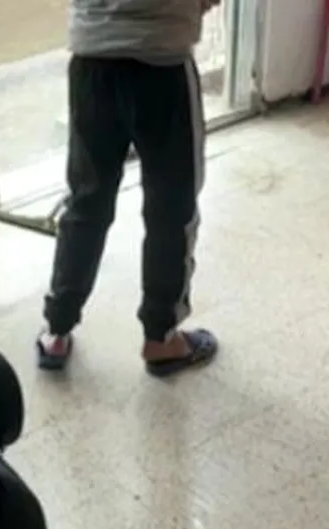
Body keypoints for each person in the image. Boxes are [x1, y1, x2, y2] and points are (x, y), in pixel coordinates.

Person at [37, 0, 222, 378]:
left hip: (93, 60)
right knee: (172, 206)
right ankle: (161, 338)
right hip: (161, 62)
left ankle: (56, 329)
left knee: (86, 201)